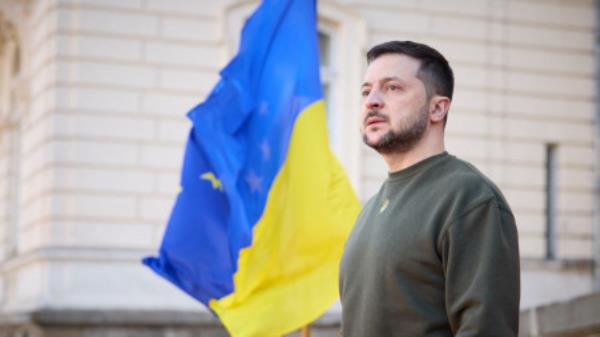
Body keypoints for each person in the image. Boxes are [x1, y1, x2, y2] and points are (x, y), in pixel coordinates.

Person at [339, 41, 520, 337]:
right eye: (366, 90)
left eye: (392, 88)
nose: (372, 100)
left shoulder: (469, 198)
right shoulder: (369, 210)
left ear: (437, 108)